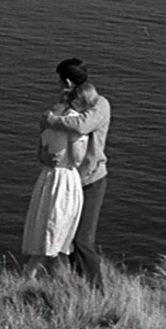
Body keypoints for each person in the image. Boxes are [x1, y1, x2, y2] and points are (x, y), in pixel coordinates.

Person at [45, 58, 111, 288]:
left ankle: (96, 290)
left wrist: (52, 120)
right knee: (69, 237)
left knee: (82, 238)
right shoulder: (67, 104)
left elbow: (82, 125)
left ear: (67, 81)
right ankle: (81, 285)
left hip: (91, 179)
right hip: (70, 179)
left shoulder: (100, 103)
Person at [22, 83, 91, 276]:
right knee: (58, 226)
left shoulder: (48, 119)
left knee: (46, 223)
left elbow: (41, 154)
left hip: (48, 176)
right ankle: (31, 274)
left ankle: (58, 278)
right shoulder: (73, 123)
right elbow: (77, 158)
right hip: (65, 178)